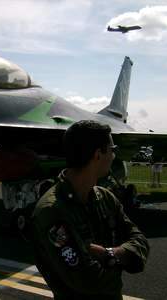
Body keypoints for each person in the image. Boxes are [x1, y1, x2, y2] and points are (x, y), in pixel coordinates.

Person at [31, 120, 149, 300]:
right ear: (98, 155)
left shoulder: (106, 198)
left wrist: (107, 254)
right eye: (112, 149)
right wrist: (121, 260)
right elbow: (87, 280)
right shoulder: (52, 210)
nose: (113, 155)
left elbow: (140, 241)